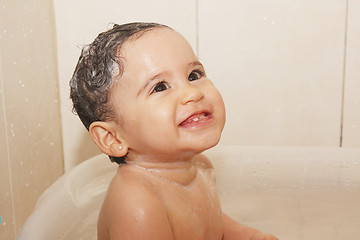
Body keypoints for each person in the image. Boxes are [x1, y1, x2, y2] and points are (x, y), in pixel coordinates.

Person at [70, 22, 278, 240]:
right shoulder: (137, 204)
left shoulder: (202, 168)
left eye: (194, 75)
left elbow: (213, 225)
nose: (192, 93)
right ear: (113, 138)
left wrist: (253, 236)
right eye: (160, 87)